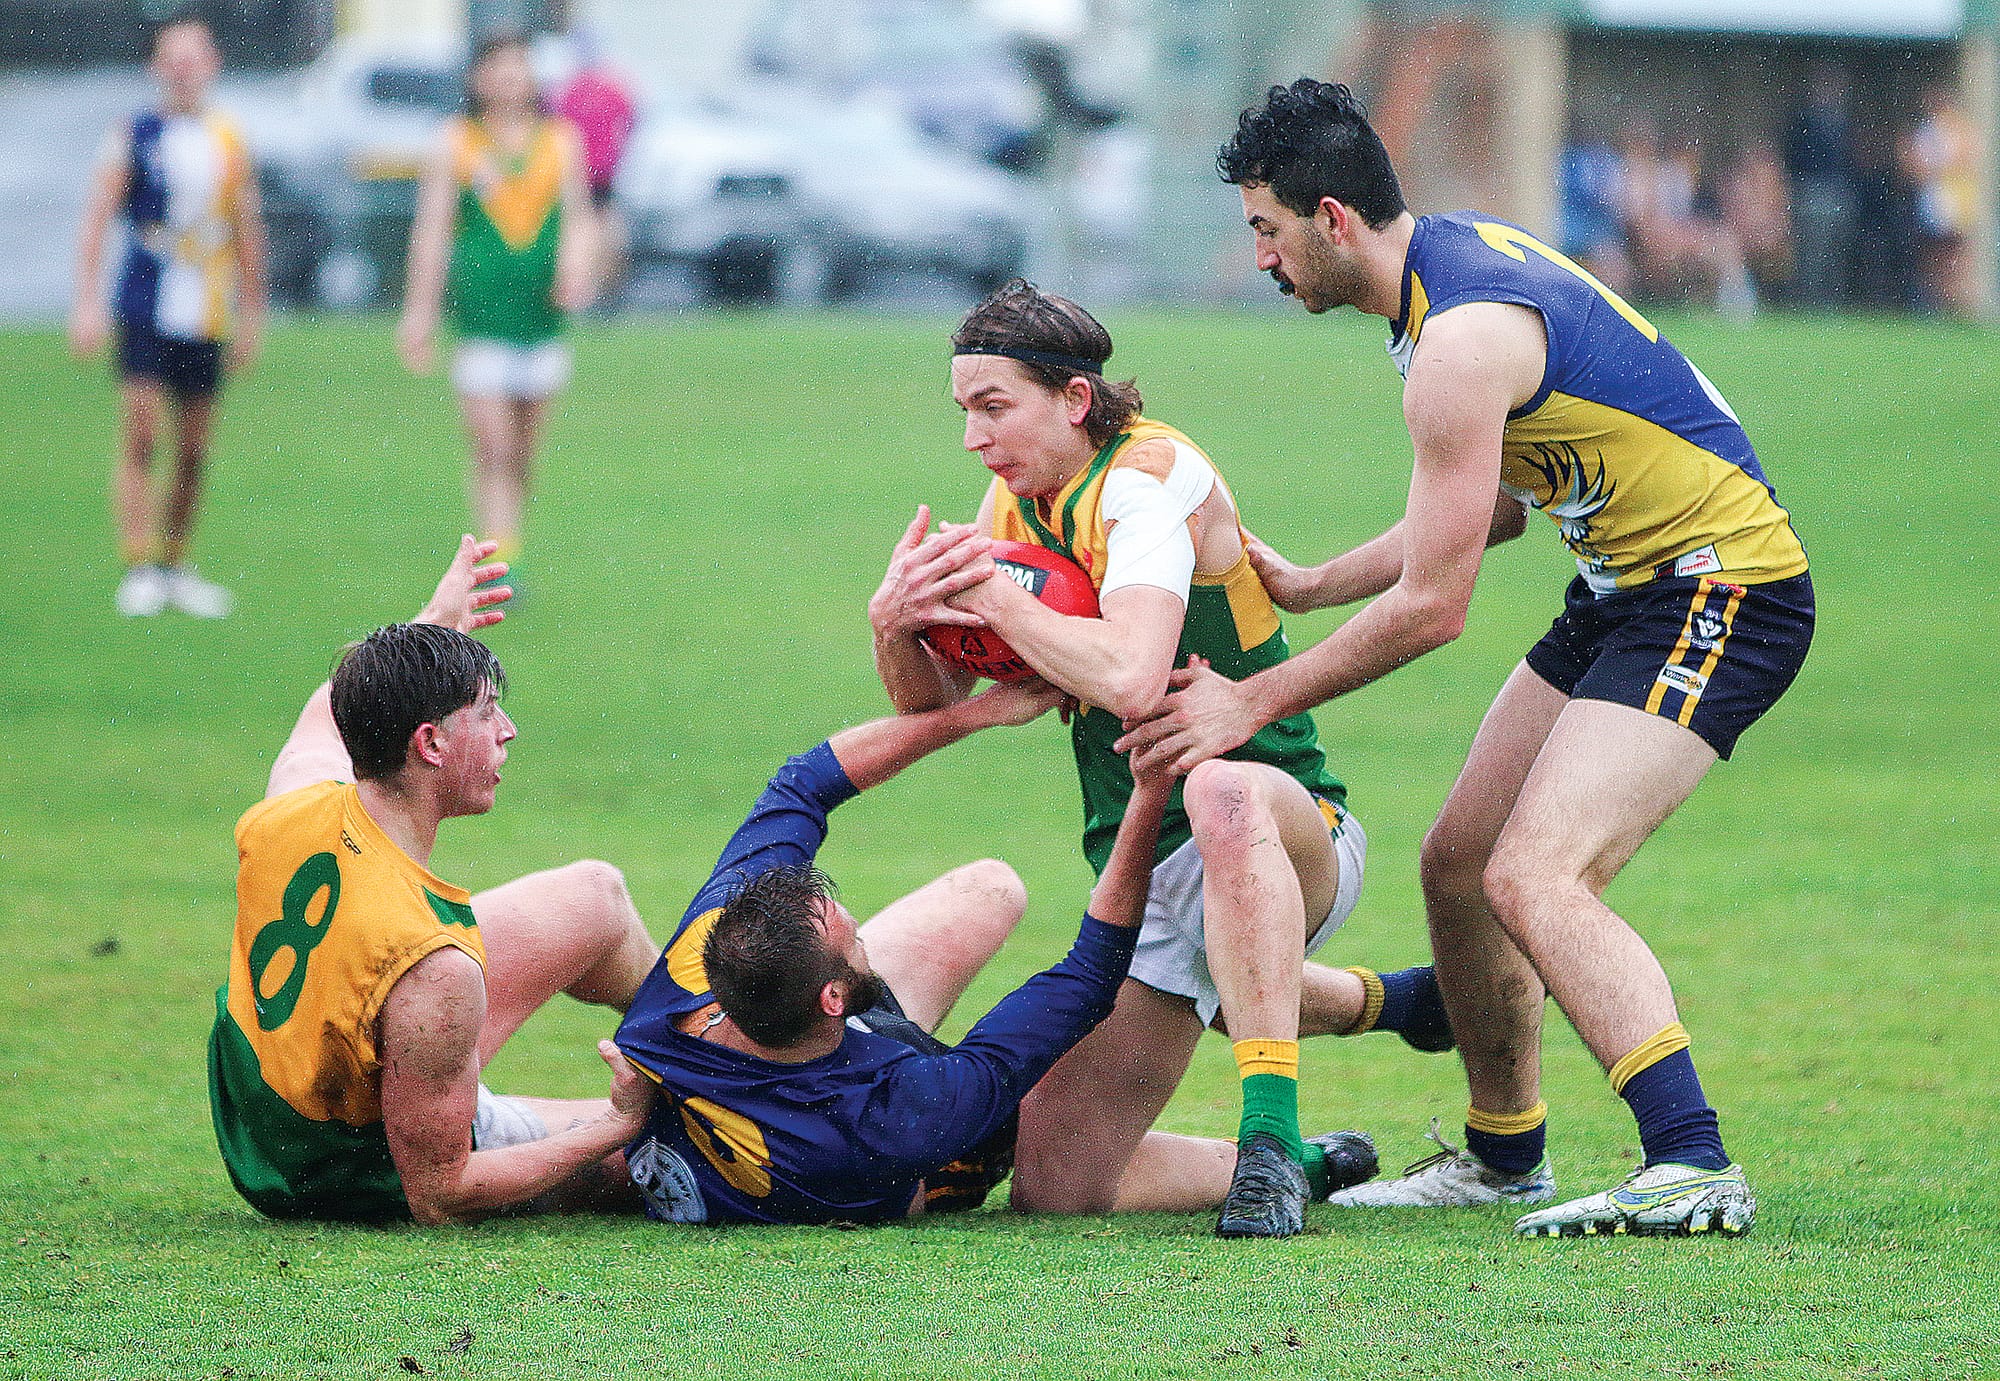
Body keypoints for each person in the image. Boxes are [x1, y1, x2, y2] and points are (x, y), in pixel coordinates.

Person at [1139, 78, 1815, 1239]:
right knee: (1458, 862)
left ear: (1331, 219)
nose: (1258, 258)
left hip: (1719, 588)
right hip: (1622, 588)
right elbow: (1493, 515)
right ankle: (1505, 1156)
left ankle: (1690, 1158)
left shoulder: (1453, 343)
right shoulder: (1444, 272)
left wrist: (1246, 698)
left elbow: (1433, 608)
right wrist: (1307, 582)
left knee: (1535, 874)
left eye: (1265, 229)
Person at [867, 281, 1452, 1238]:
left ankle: (1269, 1142)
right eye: (965, 411)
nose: (974, 436)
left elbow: (1136, 680)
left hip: (1284, 824)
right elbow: (932, 701)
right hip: (1144, 877)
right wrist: (895, 624)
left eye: (992, 407)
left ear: (1073, 399)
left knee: (1219, 790)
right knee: (1058, 1184)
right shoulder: (1015, 501)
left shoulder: (1151, 478)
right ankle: (1377, 1050)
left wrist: (999, 599)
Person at [614, 679, 1381, 1225]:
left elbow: (804, 783)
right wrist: (1149, 793)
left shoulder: (701, 960)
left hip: (792, 1069)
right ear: (835, 1000)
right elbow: (1087, 978)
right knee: (1061, 1162)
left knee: (989, 888)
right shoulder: (898, 1116)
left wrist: (979, 712)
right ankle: (1312, 1157)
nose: (854, 919)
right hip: (910, 1140)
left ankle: (1361, 996)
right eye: (848, 933)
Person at [207, 536, 661, 1224]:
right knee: (663, 1150)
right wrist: (616, 1127)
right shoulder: (433, 966)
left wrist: (434, 619)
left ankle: (710, 1042)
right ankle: (724, 1091)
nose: (507, 730)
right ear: (429, 743)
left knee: (596, 895)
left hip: (269, 1111)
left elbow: (331, 707)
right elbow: (440, 1193)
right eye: (486, 713)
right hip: (344, 1163)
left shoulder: (292, 802)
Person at [68, 12, 266, 619]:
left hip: (204, 302)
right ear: (157, 66)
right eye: (172, 55)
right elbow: (100, 215)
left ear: (213, 64)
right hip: (146, 294)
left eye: (194, 54)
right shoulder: (134, 132)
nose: (183, 66)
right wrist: (87, 300)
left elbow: (247, 227)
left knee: (193, 446)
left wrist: (251, 312)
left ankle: (175, 561)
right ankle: (138, 563)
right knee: (142, 429)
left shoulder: (231, 139)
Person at [397, 32, 593, 582]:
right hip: (482, 318)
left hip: (540, 320)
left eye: (519, 67)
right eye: (498, 68)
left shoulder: (560, 141)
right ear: (477, 79)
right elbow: (433, 231)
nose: (510, 78)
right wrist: (420, 315)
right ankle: (499, 567)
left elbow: (578, 218)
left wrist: (576, 269)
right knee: (494, 446)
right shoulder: (456, 142)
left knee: (523, 452)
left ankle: (508, 542)